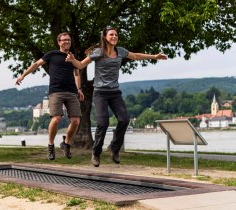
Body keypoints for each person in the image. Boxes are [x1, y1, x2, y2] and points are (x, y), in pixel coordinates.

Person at [66, 27, 167, 167]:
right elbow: (81, 65)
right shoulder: (98, 52)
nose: (114, 36)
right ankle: (96, 153)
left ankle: (114, 148)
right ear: (105, 37)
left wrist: (154, 56)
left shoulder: (121, 51)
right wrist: (72, 60)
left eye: (116, 34)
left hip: (114, 92)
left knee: (124, 119)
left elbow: (136, 56)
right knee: (103, 123)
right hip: (100, 93)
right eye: (111, 34)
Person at [16, 32, 84, 160]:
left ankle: (66, 144)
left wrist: (79, 89)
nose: (67, 42)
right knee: (56, 119)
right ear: (59, 42)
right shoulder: (52, 54)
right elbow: (36, 64)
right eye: (64, 40)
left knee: (76, 121)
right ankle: (51, 145)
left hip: (71, 91)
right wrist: (23, 75)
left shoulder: (72, 57)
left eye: (69, 40)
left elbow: (76, 74)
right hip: (56, 91)